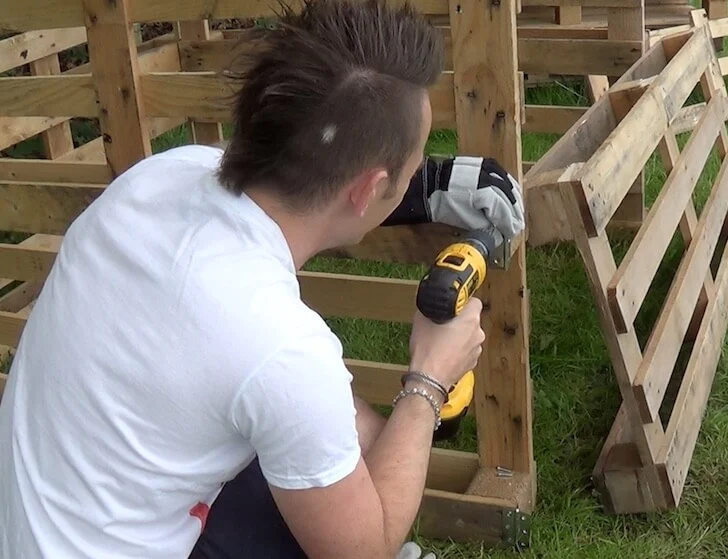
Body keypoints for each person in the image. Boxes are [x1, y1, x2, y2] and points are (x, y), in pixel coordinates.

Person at [0, 1, 524, 558]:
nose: (420, 172)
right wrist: (429, 384)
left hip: (32, 529)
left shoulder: (157, 178)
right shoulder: (279, 349)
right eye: (415, 165)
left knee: (291, 457)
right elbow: (361, 550)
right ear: (368, 190)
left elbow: (291, 389)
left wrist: (421, 190)